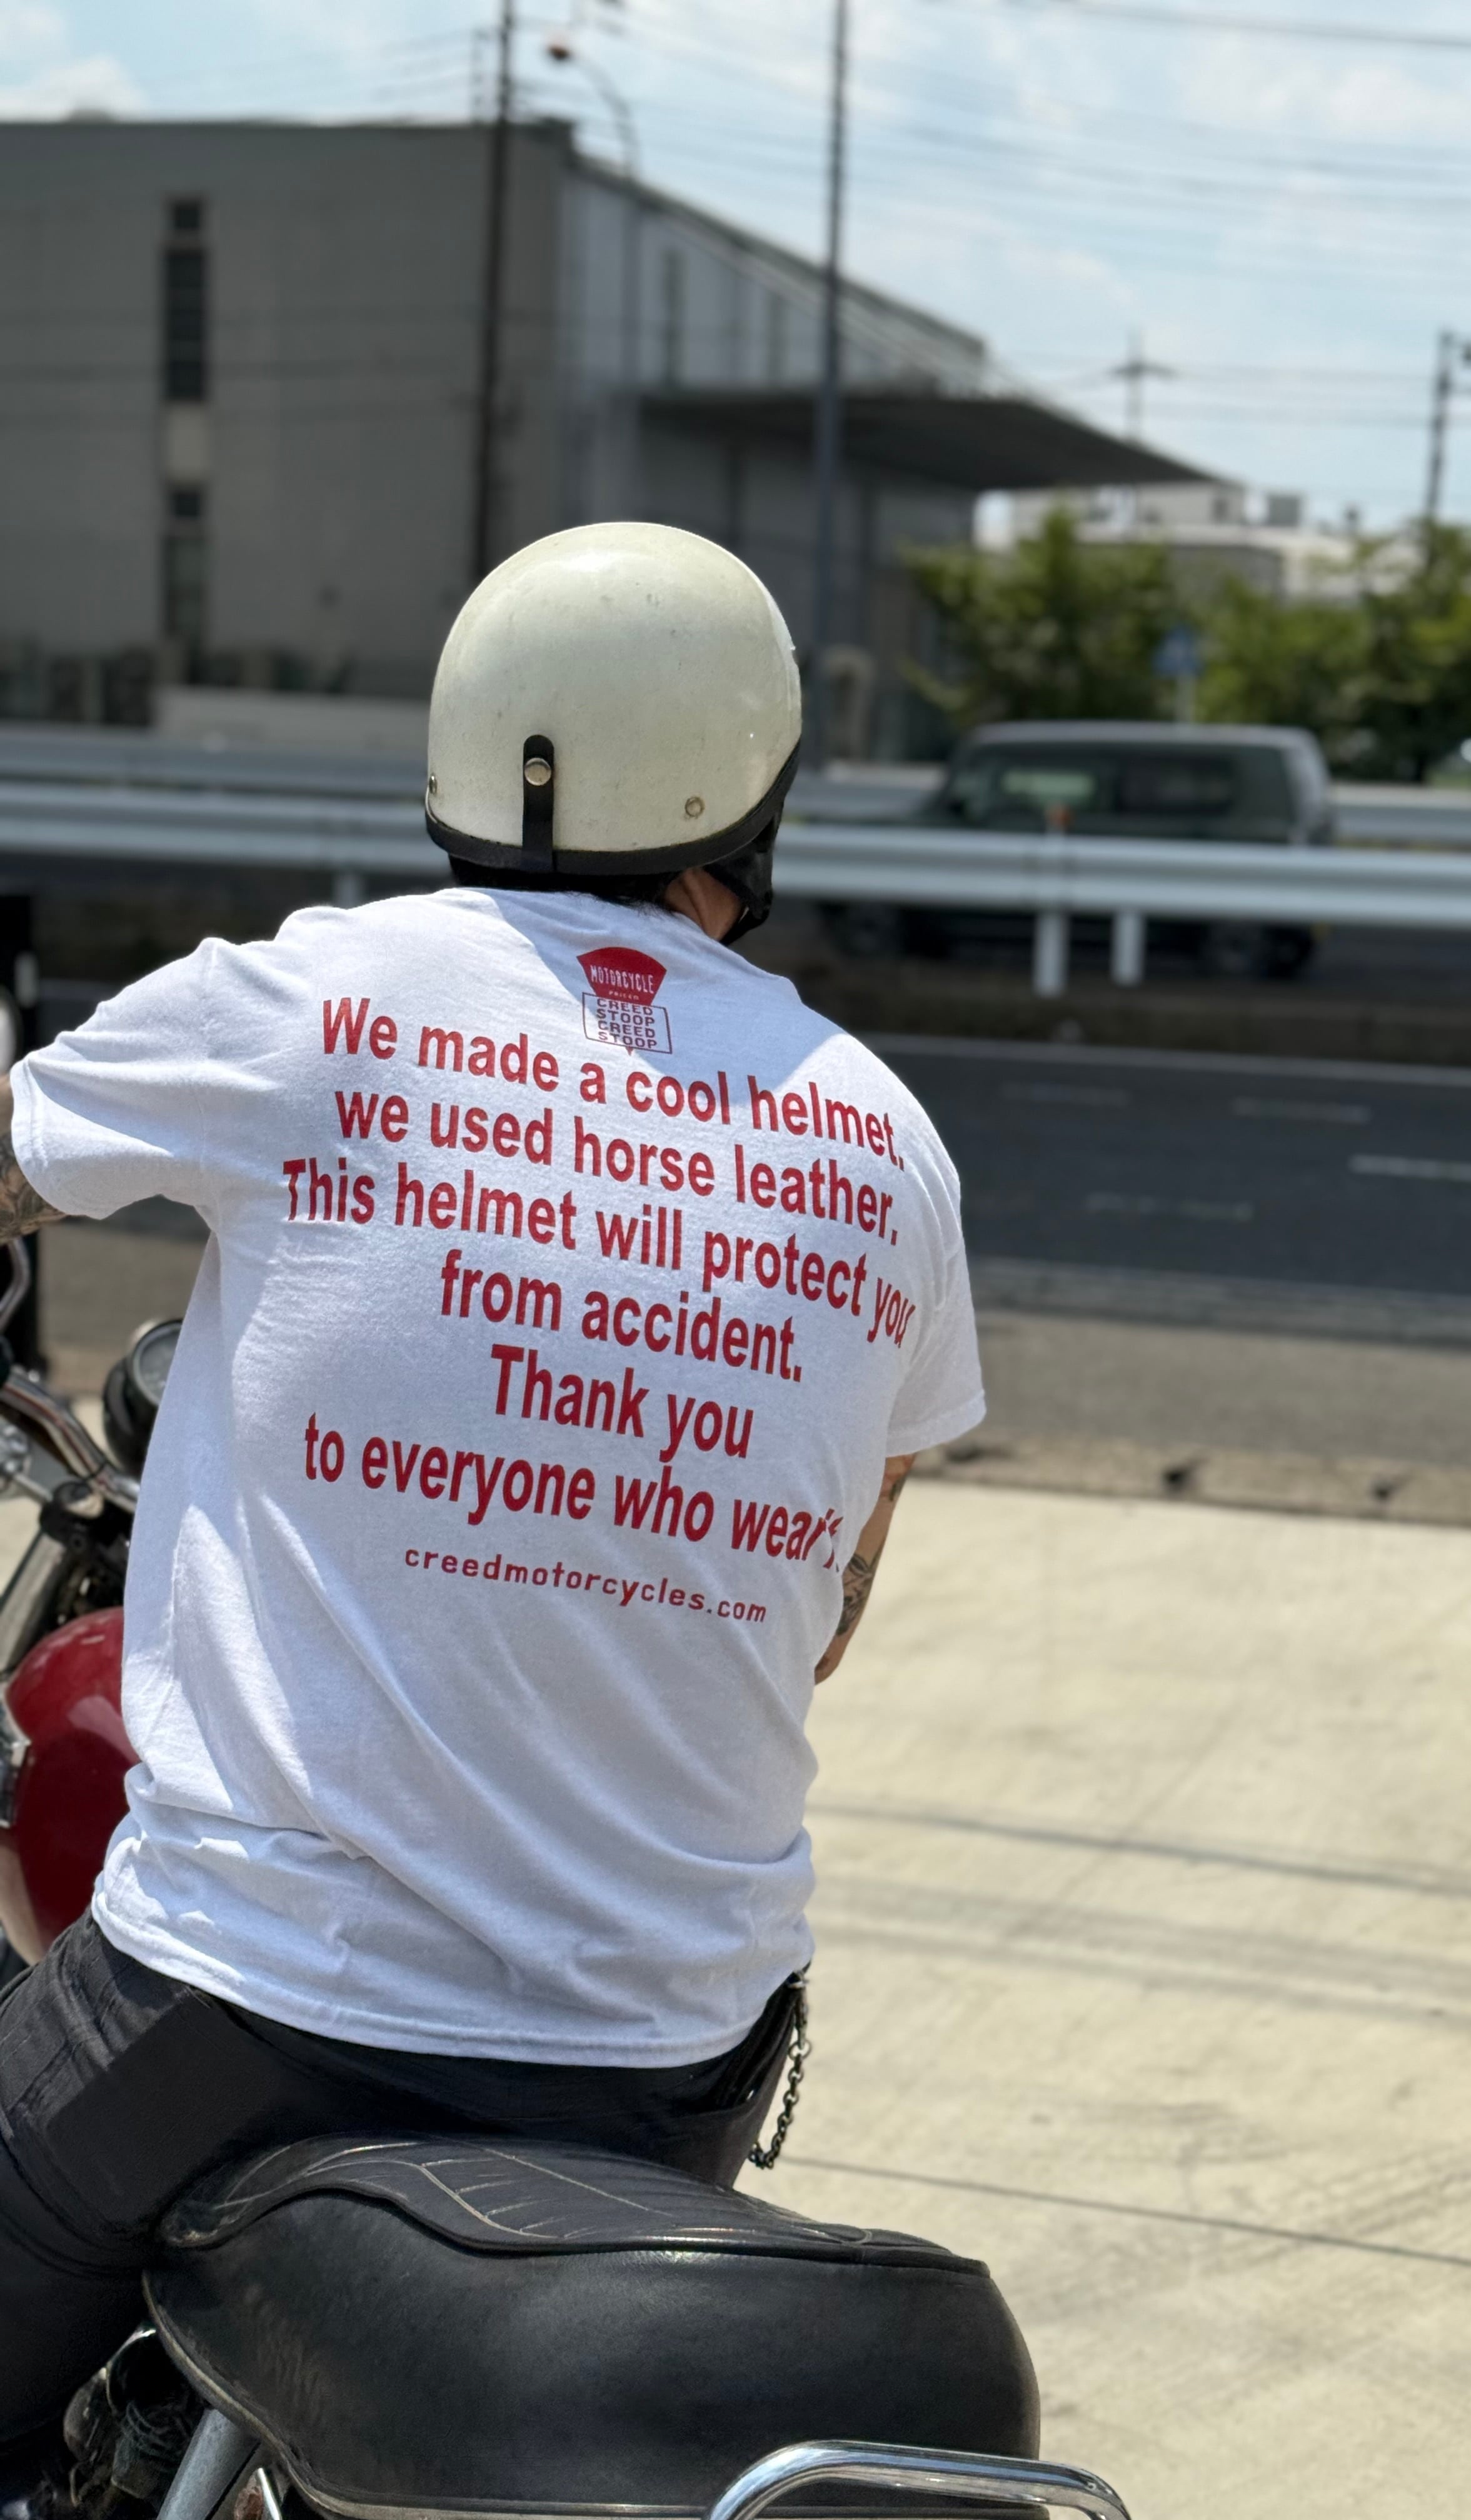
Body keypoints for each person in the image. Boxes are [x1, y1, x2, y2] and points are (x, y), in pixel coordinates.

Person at [0, 524, 985, 2468]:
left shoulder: (310, 1001)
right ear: (753, 789)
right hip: (672, 2064)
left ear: (463, 752)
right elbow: (829, 1606)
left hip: (257, 2018)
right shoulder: (885, 1141)